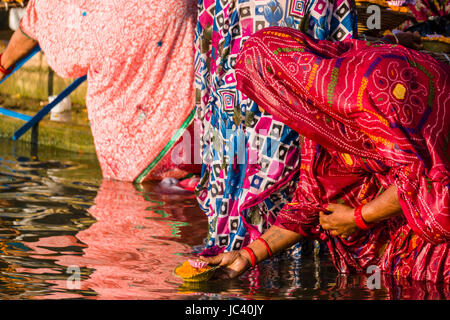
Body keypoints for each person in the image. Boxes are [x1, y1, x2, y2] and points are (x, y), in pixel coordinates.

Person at [201, 27, 449, 283]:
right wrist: (248, 255)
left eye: (271, 93)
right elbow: (311, 202)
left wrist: (359, 217)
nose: (274, 106)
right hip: (414, 205)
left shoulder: (371, 86)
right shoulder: (317, 113)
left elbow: (423, 177)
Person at [195, 0, 358, 255]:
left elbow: (343, 58)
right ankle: (239, 271)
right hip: (233, 111)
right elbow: (209, 50)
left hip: (290, 110)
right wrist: (209, 118)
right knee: (234, 205)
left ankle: (276, 275)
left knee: (287, 201)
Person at [0, 0, 201, 184]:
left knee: (134, 204)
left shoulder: (59, 8)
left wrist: (4, 64)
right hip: (201, 116)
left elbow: (40, 20)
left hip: (132, 145)